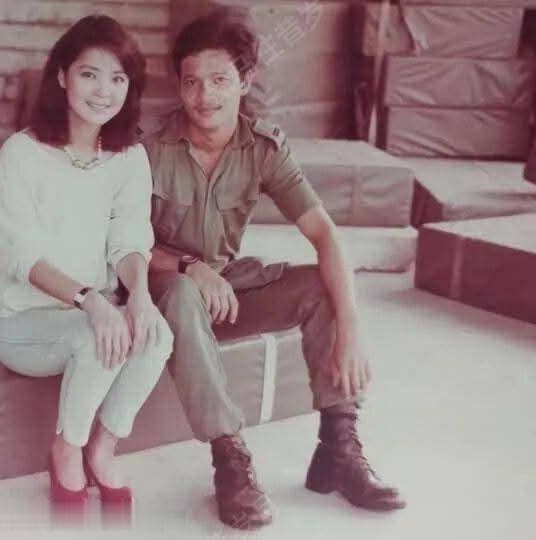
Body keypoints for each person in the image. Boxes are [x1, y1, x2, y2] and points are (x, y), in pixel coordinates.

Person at [143, 7, 406, 529]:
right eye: (191, 82)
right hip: (161, 293)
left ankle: (338, 449)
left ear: (246, 80)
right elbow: (121, 244)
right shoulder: (149, 149)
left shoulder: (263, 149)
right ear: (178, 85)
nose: (204, 96)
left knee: (320, 286)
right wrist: (190, 267)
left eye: (220, 80)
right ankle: (229, 457)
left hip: (224, 291)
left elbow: (325, 233)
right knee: (181, 292)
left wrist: (351, 326)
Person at [0, 15, 173, 516]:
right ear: (62, 76)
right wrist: (91, 301)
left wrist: (139, 297)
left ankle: (103, 448)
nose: (103, 91)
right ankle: (66, 449)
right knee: (97, 335)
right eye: (90, 74)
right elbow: (22, 257)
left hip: (93, 311)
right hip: (23, 322)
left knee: (156, 334)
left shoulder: (128, 157)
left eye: (118, 78)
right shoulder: (22, 154)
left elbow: (130, 240)